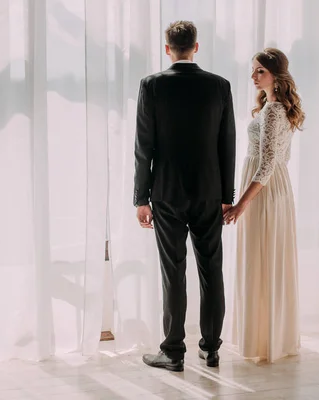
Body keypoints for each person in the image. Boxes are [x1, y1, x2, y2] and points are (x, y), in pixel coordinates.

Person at [133, 20, 236, 371]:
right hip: (209, 192)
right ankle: (211, 349)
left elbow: (143, 147)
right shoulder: (219, 86)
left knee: (172, 272)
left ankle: (173, 351)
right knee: (212, 270)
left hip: (166, 192)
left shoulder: (152, 85)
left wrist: (140, 199)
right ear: (196, 47)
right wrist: (227, 194)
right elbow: (228, 145)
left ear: (167, 49)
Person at [224, 48, 304, 363]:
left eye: (260, 71)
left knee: (262, 258)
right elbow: (280, 160)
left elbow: (268, 163)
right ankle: (269, 336)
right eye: (254, 70)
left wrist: (241, 204)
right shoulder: (276, 107)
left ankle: (263, 340)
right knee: (268, 259)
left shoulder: (273, 110)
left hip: (264, 190)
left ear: (275, 75)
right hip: (275, 187)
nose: (254, 76)